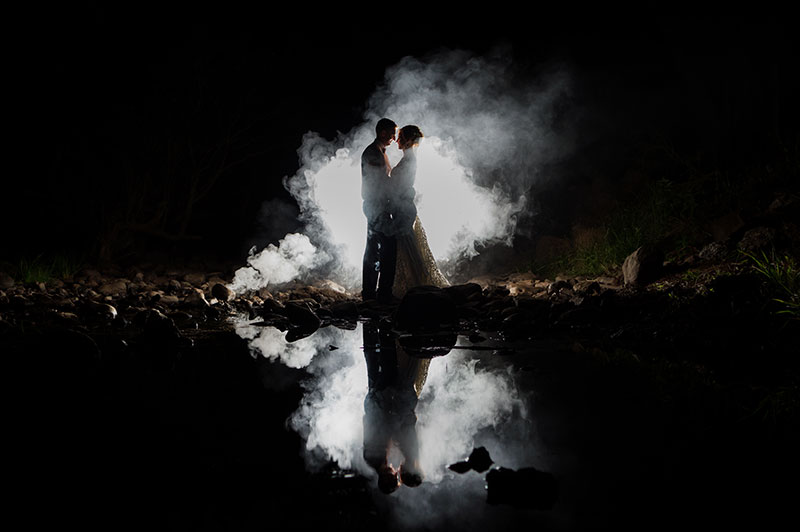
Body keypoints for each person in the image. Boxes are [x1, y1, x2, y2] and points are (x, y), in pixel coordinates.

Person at [389, 125, 450, 298]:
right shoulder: (408, 158)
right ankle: (413, 284)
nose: (397, 140)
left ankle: (417, 285)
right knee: (407, 247)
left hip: (403, 208)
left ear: (408, 140)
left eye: (400, 137)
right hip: (402, 207)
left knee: (409, 248)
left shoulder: (409, 160)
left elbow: (403, 187)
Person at [361, 118, 397, 302]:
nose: (394, 137)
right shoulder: (373, 153)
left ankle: (372, 292)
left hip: (377, 205)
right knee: (385, 249)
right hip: (376, 206)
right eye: (392, 133)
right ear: (383, 133)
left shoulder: (378, 151)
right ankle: (380, 293)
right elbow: (380, 182)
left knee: (376, 248)